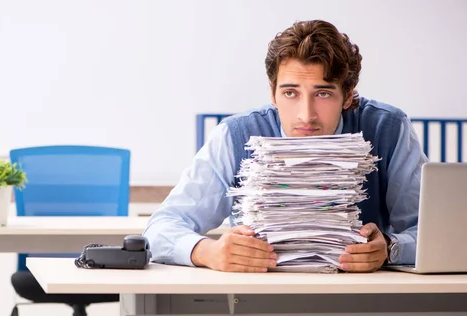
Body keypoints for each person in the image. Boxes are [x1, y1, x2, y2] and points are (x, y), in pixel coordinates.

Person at [143, 19, 428, 273]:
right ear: (273, 93)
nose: (306, 115)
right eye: (290, 92)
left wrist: (391, 248)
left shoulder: (389, 130)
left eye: (324, 93)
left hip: (365, 303)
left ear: (348, 95)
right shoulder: (236, 135)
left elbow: (435, 233)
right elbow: (162, 227)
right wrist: (208, 252)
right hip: (258, 303)